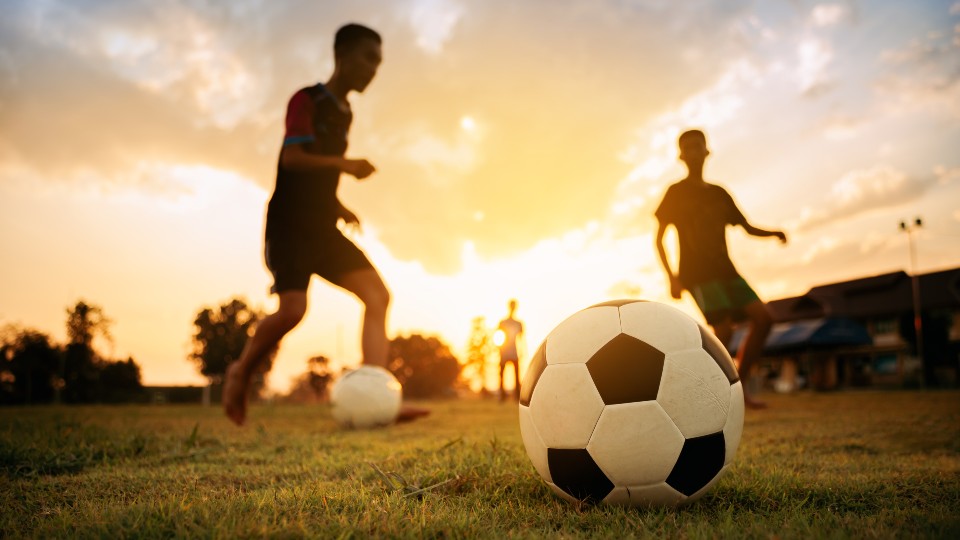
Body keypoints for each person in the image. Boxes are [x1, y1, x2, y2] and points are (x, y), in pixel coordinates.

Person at [224, 23, 428, 426]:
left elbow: (317, 178)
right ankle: (240, 371)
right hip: (289, 224)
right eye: (369, 58)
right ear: (343, 55)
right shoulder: (307, 100)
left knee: (377, 295)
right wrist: (345, 165)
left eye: (379, 63)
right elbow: (292, 161)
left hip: (322, 225)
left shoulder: (345, 112)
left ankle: (377, 397)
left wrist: (339, 205)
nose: (374, 69)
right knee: (293, 310)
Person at [654, 129, 787, 409]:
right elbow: (659, 239)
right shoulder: (675, 193)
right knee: (723, 331)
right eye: (686, 148)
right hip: (696, 273)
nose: (692, 152)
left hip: (727, 270)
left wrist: (773, 233)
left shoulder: (719, 194)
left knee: (764, 318)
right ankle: (702, 394)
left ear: (707, 151)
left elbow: (747, 227)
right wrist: (672, 277)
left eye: (697, 146)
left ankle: (739, 388)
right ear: (681, 156)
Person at [496, 299, 524, 402]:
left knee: (516, 376)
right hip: (504, 352)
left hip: (514, 352)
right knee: (501, 376)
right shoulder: (503, 322)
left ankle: (517, 397)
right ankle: (502, 397)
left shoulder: (519, 323)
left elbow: (521, 339)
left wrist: (522, 352)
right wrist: (499, 350)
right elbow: (498, 336)